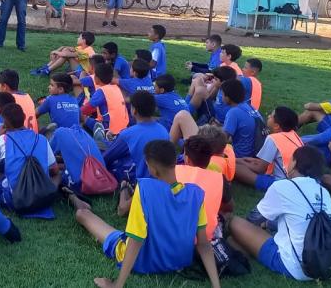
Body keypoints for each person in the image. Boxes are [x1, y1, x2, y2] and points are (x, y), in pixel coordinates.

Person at [67, 140, 221, 288]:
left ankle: (73, 198)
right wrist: (216, 285)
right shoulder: (196, 194)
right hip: (179, 260)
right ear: (175, 162)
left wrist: (117, 285)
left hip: (143, 261)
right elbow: (203, 243)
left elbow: (135, 240)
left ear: (152, 169)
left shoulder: (146, 190)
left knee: (82, 214)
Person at [228, 146, 331, 281]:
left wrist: (250, 230)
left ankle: (240, 249)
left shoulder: (282, 186)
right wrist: (267, 224)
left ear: (295, 163)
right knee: (269, 225)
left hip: (296, 267)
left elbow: (253, 219)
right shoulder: (323, 191)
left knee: (236, 223)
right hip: (325, 262)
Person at [0, 103, 59, 219]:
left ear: (5, 123)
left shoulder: (2, 140)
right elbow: (54, 169)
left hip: (17, 200)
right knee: (58, 175)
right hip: (44, 196)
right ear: (23, 117)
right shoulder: (41, 139)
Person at [102, 91, 168, 184]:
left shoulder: (128, 134)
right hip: (160, 178)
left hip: (137, 181)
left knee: (104, 152)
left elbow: (106, 157)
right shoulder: (163, 130)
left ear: (134, 110)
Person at [176, 133, 229, 242]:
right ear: (210, 159)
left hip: (173, 237)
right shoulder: (220, 178)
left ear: (186, 158)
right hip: (205, 240)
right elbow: (229, 207)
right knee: (227, 216)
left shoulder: (173, 171)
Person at [236, 106, 303, 190]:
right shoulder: (294, 135)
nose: (268, 117)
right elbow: (262, 162)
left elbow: (260, 169)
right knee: (240, 162)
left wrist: (239, 163)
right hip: (298, 181)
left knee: (235, 168)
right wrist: (239, 160)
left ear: (276, 126)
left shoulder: (273, 139)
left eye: (271, 116)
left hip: (282, 184)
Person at [50, 125, 107, 195]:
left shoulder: (58, 132)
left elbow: (48, 156)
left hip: (82, 183)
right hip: (102, 176)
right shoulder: (84, 134)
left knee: (53, 171)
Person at [82, 63, 130, 140]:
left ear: (96, 78)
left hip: (109, 129)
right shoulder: (116, 88)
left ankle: (102, 137)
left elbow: (85, 109)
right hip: (124, 128)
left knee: (82, 116)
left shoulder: (102, 91)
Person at [219, 79, 263, 159]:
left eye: (222, 95)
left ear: (228, 98)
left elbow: (223, 139)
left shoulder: (233, 112)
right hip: (256, 153)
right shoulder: (249, 107)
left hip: (240, 156)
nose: (221, 97)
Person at [31, 31, 95, 76]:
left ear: (83, 40)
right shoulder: (82, 47)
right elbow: (67, 49)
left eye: (79, 37)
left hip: (84, 74)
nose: (77, 38)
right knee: (65, 50)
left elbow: (66, 54)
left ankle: (46, 71)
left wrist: (54, 52)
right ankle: (46, 67)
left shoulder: (87, 51)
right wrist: (61, 48)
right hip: (80, 68)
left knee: (66, 56)